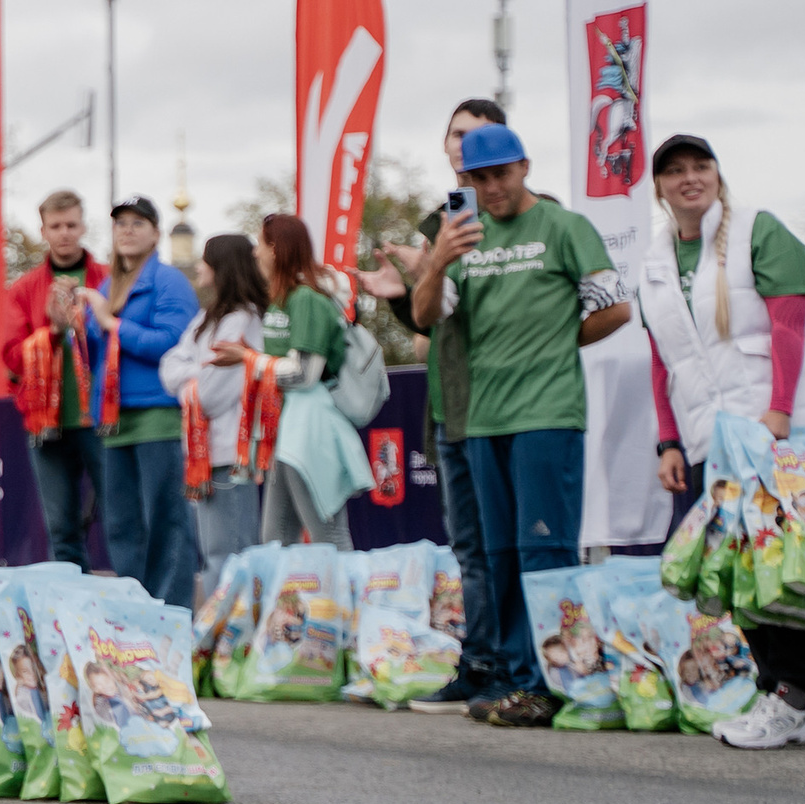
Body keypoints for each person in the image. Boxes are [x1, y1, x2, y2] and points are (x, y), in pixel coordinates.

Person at [409, 122, 631, 728]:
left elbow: (615, 306)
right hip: (481, 419)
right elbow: (427, 317)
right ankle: (510, 677)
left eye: (500, 174)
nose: (491, 188)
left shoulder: (564, 227)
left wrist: (558, 344)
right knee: (500, 552)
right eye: (477, 179)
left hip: (549, 413)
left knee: (545, 548)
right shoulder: (464, 237)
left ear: (525, 167)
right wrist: (438, 261)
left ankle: (549, 681)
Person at [635, 132, 805, 748]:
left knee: (788, 569)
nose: (690, 177)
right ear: (659, 186)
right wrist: (667, 441)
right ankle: (790, 697)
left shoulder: (757, 231)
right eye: (674, 170)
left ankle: (791, 695)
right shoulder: (655, 261)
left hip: (776, 433)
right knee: (740, 576)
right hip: (709, 441)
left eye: (701, 165)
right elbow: (661, 359)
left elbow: (790, 323)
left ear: (717, 173)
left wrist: (778, 411)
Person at [359, 98, 510, 710]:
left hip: (510, 403)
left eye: (476, 135)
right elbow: (430, 321)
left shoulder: (529, 215)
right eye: (454, 134)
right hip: (452, 403)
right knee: (469, 545)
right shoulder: (437, 219)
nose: (462, 145)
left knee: (514, 541)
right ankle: (479, 662)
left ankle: (522, 663)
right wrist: (403, 290)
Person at [82, 196, 202, 609]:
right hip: (113, 420)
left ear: (156, 233)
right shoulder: (106, 286)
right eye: (120, 224)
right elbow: (93, 354)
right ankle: (135, 610)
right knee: (121, 523)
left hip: (158, 415)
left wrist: (111, 323)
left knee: (167, 520)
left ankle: (172, 612)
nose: (127, 230)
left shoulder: (171, 282)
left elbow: (173, 344)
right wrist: (71, 327)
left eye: (138, 223)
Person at [0, 190, 108, 568]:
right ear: (43, 230)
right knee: (61, 526)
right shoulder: (25, 288)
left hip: (101, 420)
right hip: (47, 422)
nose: (64, 233)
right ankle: (70, 613)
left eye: (71, 225)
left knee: (121, 518)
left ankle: (134, 605)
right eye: (56, 226)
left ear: (84, 227)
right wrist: (53, 331)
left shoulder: (107, 279)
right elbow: (11, 355)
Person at [254, 214, 370, 551]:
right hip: (288, 427)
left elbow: (304, 375)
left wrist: (251, 362)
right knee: (276, 539)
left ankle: (345, 604)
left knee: (327, 536)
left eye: (259, 245)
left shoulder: (306, 299)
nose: (255, 253)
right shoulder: (287, 297)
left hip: (309, 426)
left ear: (275, 249)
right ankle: (286, 604)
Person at [161, 234, 271, 579]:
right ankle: (223, 631)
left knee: (232, 555)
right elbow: (168, 367)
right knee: (213, 555)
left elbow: (209, 395)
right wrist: (199, 372)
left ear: (221, 266)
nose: (199, 265)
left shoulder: (244, 319)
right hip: (203, 454)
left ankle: (233, 631)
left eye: (205, 259)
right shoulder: (208, 317)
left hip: (228, 453)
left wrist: (192, 378)